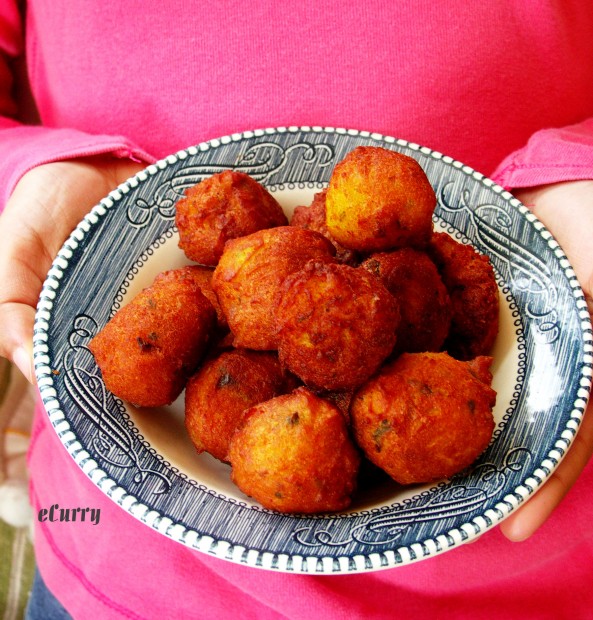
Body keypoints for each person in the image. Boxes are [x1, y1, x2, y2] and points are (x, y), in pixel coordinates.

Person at [0, 1, 592, 618]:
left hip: (507, 585)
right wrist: (26, 168)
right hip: (128, 570)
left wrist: (579, 171)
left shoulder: (372, 290)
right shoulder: (261, 303)